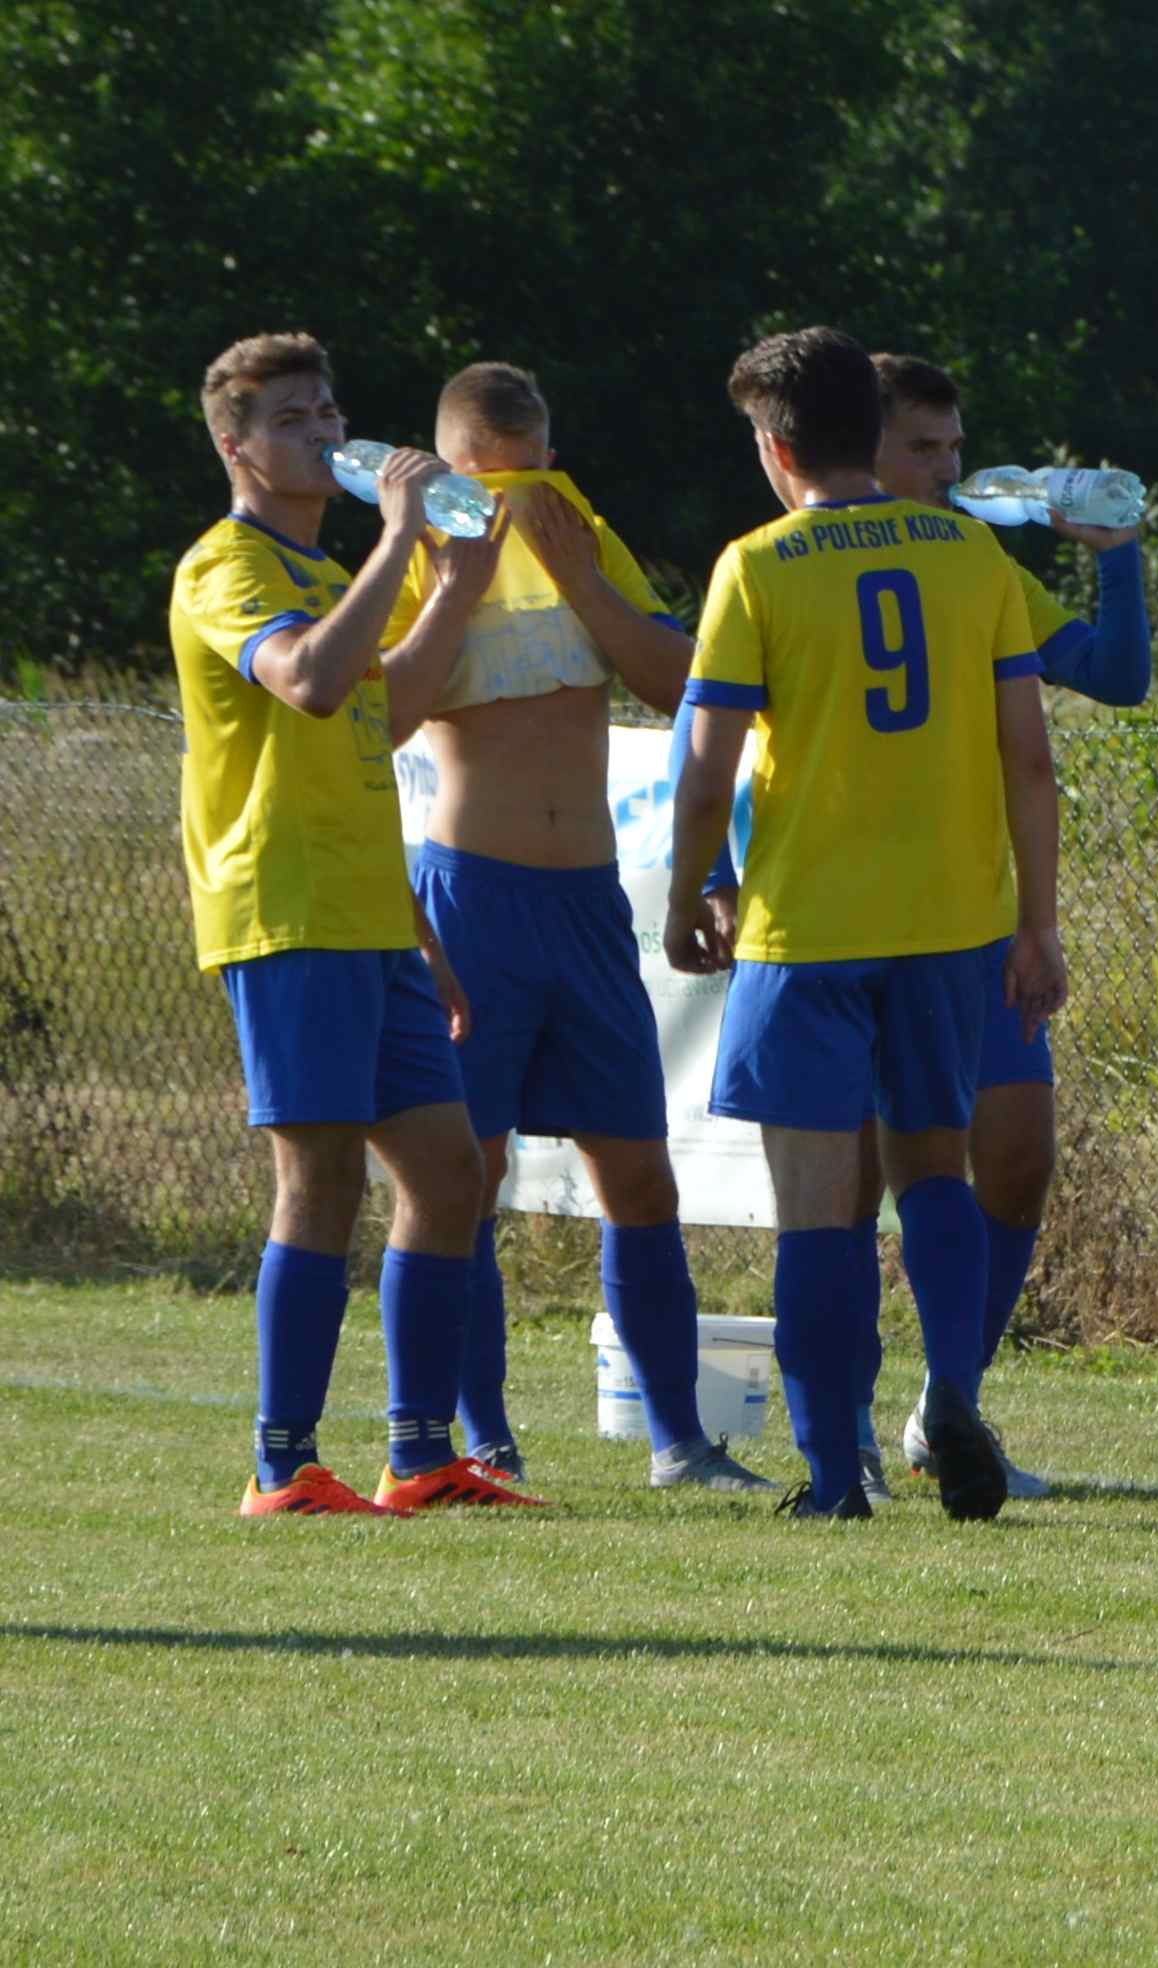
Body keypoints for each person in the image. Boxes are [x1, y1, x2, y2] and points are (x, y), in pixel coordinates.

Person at [661, 326, 1068, 1524]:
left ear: (778, 447)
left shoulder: (760, 566)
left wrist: (691, 888)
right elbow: (1031, 761)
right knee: (934, 1176)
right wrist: (1033, 924)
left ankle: (835, 1477)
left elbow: (705, 762)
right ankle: (951, 1397)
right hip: (953, 929)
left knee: (818, 1212)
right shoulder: (969, 557)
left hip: (811, 933)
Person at [169, 332, 533, 1517]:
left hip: (368, 916)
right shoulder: (226, 566)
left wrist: (458, 583)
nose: (324, 433)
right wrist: (394, 542)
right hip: (283, 911)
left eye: (329, 411)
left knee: (449, 1169)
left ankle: (421, 1456)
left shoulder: (330, 574)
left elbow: (382, 713)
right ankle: (284, 1465)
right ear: (236, 445)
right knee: (318, 1178)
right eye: (290, 419)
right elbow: (314, 683)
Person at [387, 361, 762, 1491]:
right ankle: (484, 1439)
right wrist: (460, 573)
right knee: (467, 1177)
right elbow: (385, 711)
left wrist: (575, 570)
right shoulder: (412, 552)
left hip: (589, 905)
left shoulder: (577, 524)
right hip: (474, 899)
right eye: (486, 480)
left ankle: (678, 1444)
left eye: (534, 470)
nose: (515, 494)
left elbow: (683, 684)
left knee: (640, 1178)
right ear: (448, 465)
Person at [863, 349, 1151, 1505]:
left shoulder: (976, 560)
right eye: (921, 447)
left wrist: (1119, 561)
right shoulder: (793, 562)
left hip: (980, 925)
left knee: (1017, 1161)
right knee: (847, 1184)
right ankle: (833, 1448)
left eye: (952, 446)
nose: (947, 469)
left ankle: (949, 1413)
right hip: (845, 926)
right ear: (859, 448)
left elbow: (1118, 676)